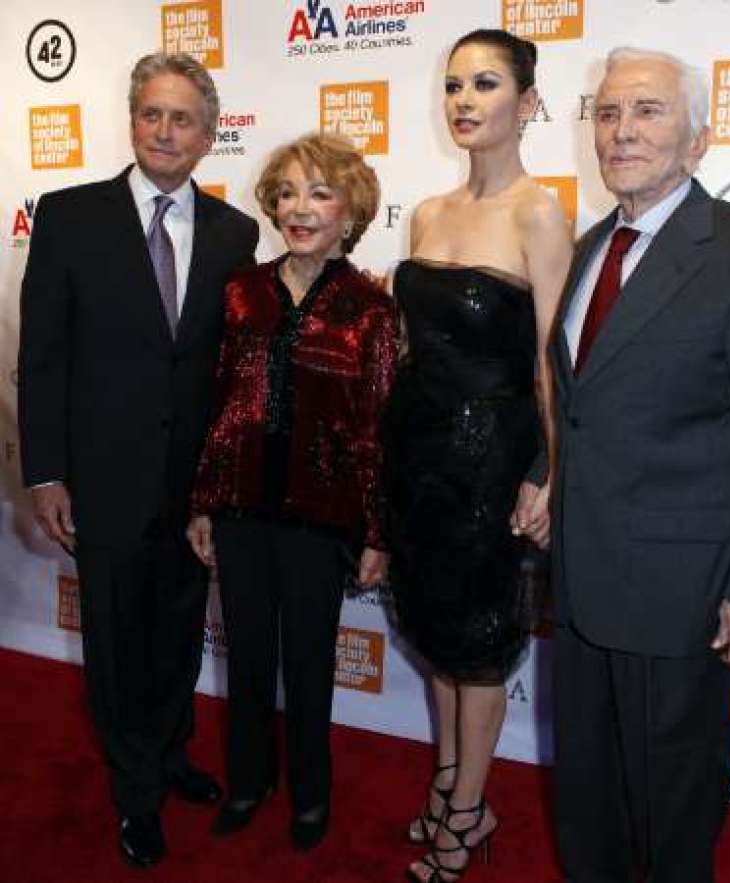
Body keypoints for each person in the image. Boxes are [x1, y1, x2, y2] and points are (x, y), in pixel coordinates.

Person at [540, 47, 730, 882]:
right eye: (608, 112)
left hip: (686, 599)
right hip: (583, 582)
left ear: (698, 140)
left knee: (671, 819)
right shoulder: (592, 245)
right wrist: (542, 472)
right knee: (588, 805)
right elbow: (586, 403)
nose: (623, 130)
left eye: (649, 111)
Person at [16, 52, 259, 868]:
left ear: (209, 134)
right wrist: (45, 471)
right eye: (151, 114)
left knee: (181, 630)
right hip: (103, 478)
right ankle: (134, 792)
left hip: (193, 487)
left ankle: (169, 751)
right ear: (132, 121)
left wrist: (223, 486)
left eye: (182, 118)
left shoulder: (237, 233)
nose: (164, 130)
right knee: (117, 641)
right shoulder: (68, 215)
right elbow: (42, 357)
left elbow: (231, 370)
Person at [385, 29, 572, 882]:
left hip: (492, 462)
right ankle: (452, 780)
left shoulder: (539, 213)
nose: (464, 100)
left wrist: (549, 471)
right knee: (434, 630)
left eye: (486, 84)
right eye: (455, 84)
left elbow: (552, 363)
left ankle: (469, 811)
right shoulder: (427, 212)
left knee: (480, 638)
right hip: (420, 456)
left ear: (527, 102)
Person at [186, 133, 396, 851]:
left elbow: (373, 423)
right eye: (287, 193)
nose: (299, 208)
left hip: (320, 518)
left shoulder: (371, 306)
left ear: (350, 210)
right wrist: (204, 501)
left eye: (319, 193)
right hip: (242, 508)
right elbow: (222, 403)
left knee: (309, 663)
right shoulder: (241, 291)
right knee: (246, 655)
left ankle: (311, 792)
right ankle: (249, 779)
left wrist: (375, 531)